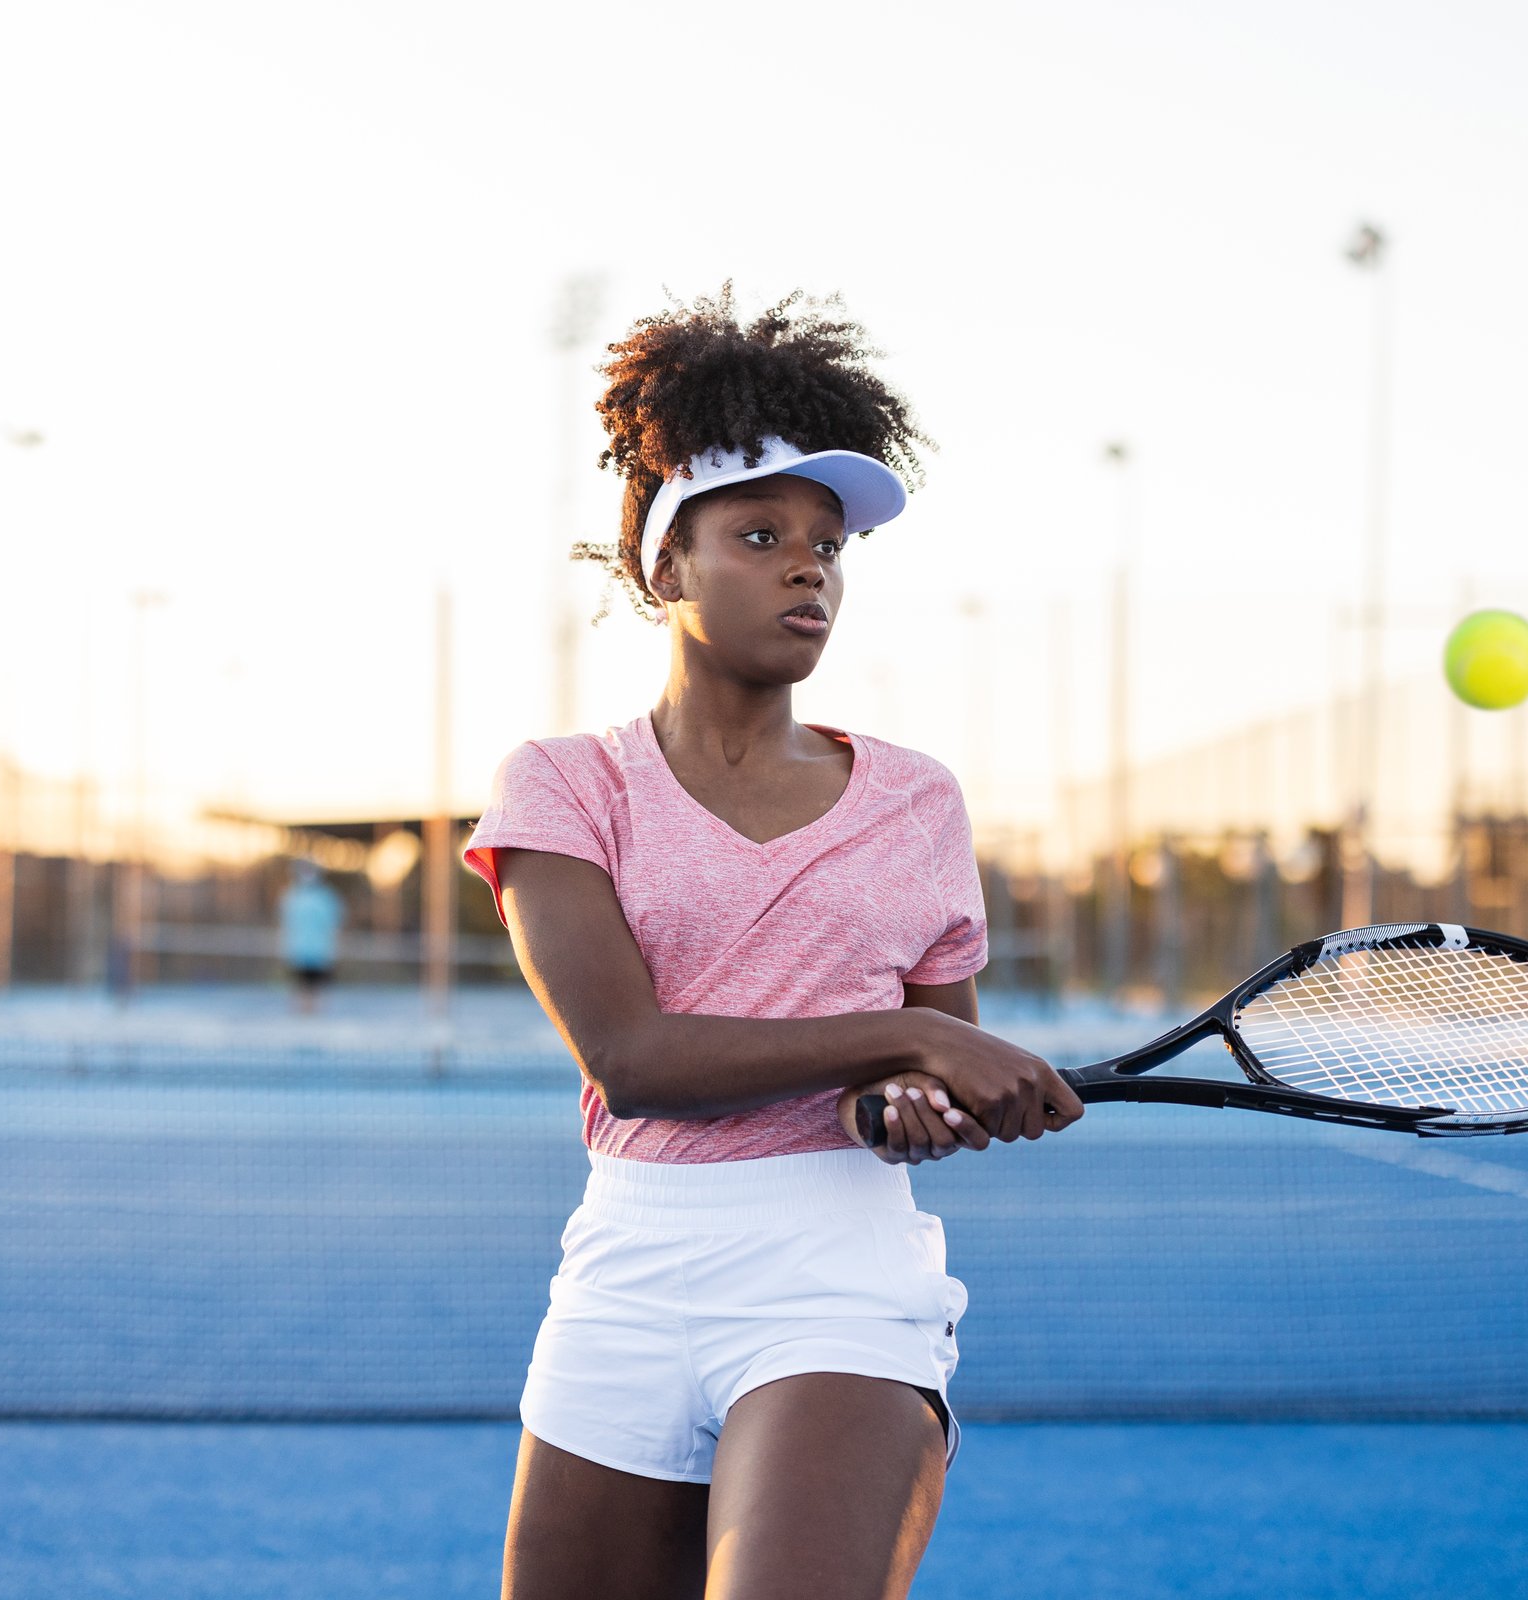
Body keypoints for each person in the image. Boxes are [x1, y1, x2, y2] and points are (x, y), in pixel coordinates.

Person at [464, 287, 1084, 1600]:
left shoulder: (918, 798)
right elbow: (631, 1058)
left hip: (836, 1275)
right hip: (627, 1264)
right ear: (664, 564)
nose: (810, 567)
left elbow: (927, 1073)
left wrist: (909, 1098)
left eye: (828, 544)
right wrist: (911, 1039)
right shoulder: (564, 786)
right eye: (761, 534)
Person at [278, 858, 342, 1014]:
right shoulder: (291, 896)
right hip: (299, 951)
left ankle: (315, 1015)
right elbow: (286, 923)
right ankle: (302, 1014)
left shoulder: (325, 897)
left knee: (316, 987)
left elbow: (334, 923)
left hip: (319, 951)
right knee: (301, 985)